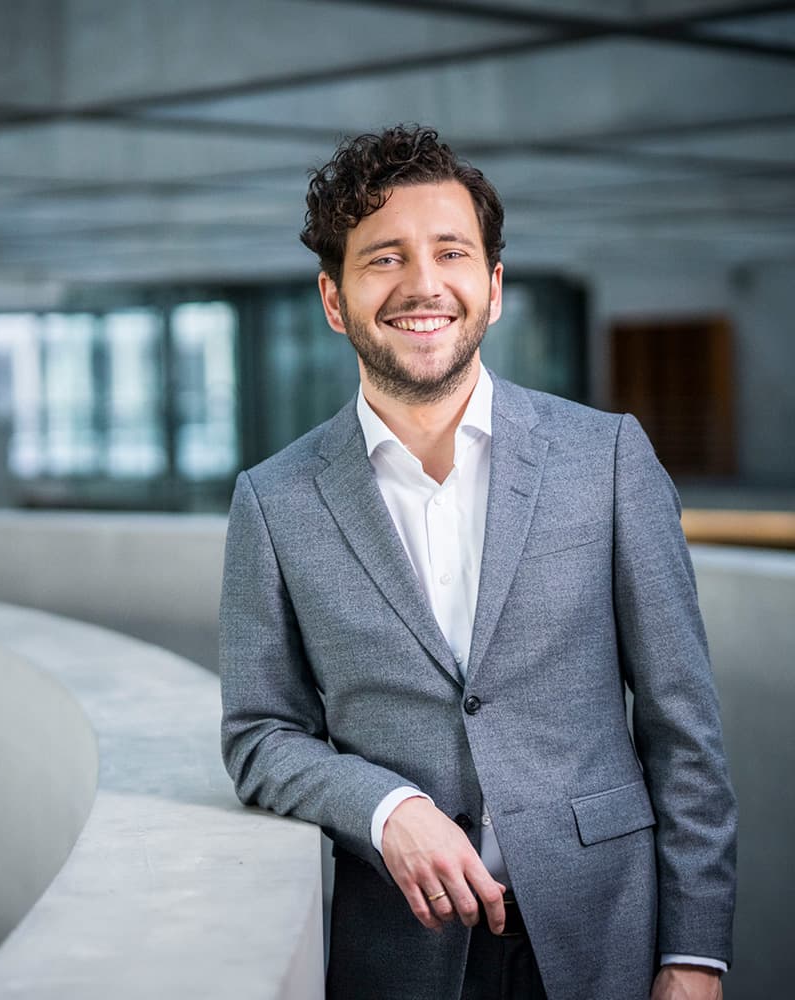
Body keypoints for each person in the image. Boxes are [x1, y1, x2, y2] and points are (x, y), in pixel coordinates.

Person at [218, 125, 736, 1000]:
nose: (423, 283)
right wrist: (386, 809)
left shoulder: (606, 457)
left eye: (450, 252)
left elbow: (684, 729)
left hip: (607, 933)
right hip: (400, 952)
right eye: (383, 258)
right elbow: (259, 736)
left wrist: (693, 955)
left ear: (492, 289)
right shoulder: (273, 502)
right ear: (334, 300)